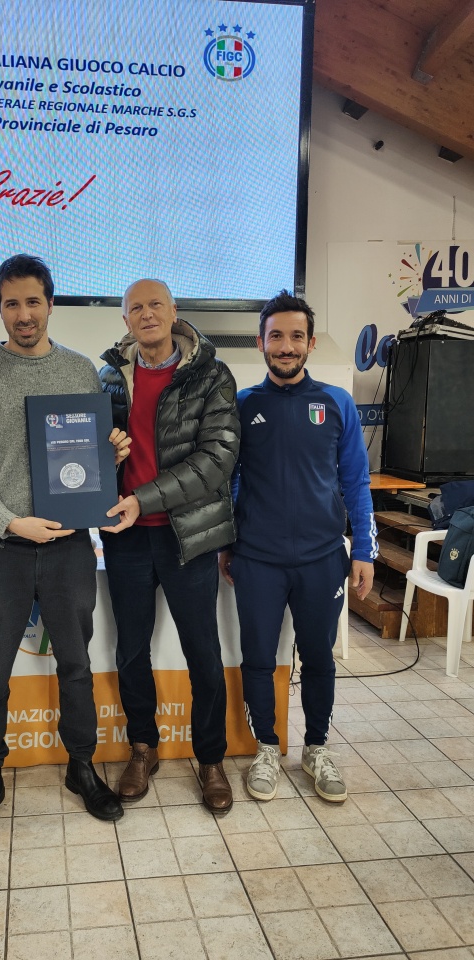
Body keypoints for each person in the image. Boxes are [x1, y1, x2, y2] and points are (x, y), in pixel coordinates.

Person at [0, 254, 130, 844]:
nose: (23, 314)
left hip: (71, 547)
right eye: (11, 303)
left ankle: (82, 766)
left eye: (32, 301)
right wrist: (10, 522)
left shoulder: (80, 371)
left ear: (50, 303)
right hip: (1, 548)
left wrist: (109, 456)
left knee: (76, 664)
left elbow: (89, 459)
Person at [219, 290, 377, 804]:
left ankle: (316, 747)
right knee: (258, 658)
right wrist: (228, 542)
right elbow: (230, 480)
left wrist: (364, 551)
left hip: (321, 559)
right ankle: (267, 747)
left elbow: (356, 482)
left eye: (295, 336)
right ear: (261, 343)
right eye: (276, 336)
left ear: (310, 343)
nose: (285, 346)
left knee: (319, 659)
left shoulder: (337, 402)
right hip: (257, 559)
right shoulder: (243, 404)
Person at [99, 279, 240, 812]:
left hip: (190, 536)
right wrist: (105, 459)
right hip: (128, 539)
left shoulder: (212, 375)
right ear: (126, 319)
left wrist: (144, 498)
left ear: (174, 311)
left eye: (155, 304)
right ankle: (143, 749)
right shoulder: (109, 378)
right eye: (135, 307)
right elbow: (92, 456)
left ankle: (210, 759)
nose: (146, 313)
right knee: (131, 651)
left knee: (203, 651)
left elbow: (217, 459)